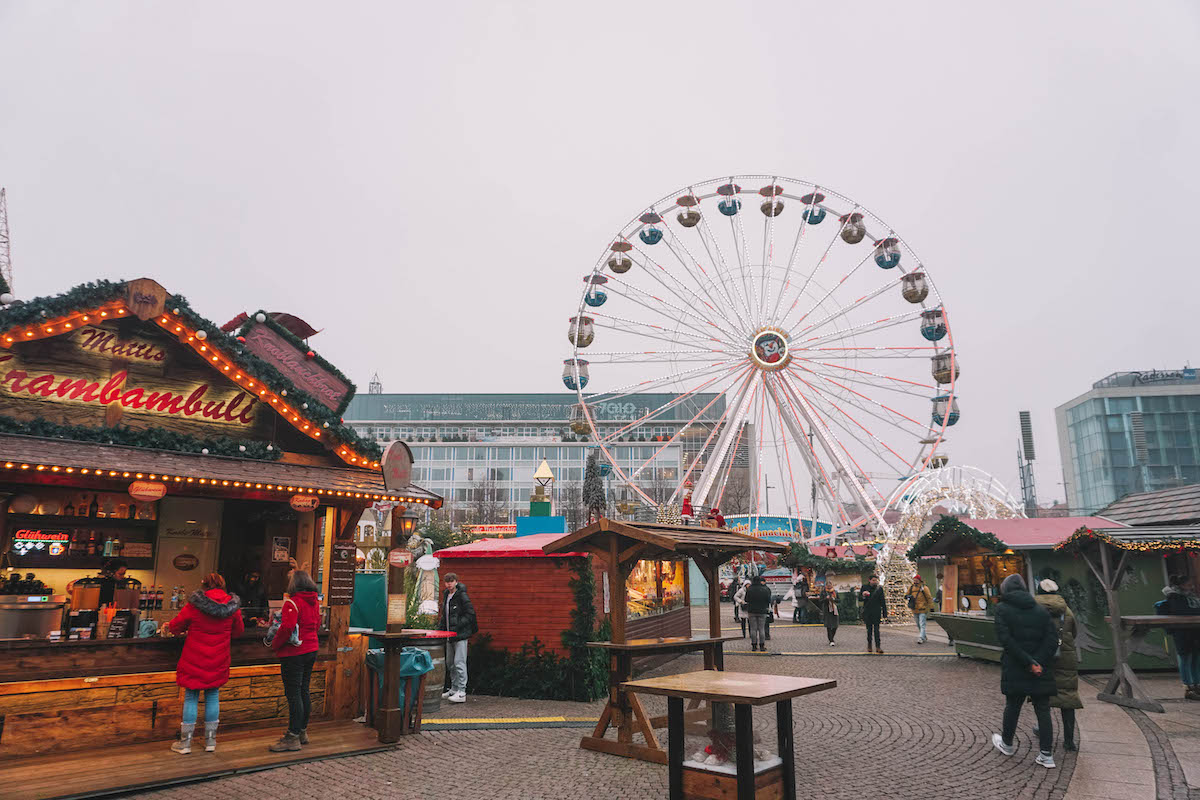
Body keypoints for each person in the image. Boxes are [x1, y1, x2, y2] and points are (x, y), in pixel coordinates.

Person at [165, 572, 243, 754]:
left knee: (191, 696)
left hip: (195, 658)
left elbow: (176, 626)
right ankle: (210, 741)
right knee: (213, 695)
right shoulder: (232, 606)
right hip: (219, 658)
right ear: (222, 585)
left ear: (204, 585)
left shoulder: (195, 605)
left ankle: (185, 743)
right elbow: (238, 631)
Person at [991, 574, 1059, 769]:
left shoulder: (1002, 610)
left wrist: (1028, 661)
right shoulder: (1041, 610)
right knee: (1043, 709)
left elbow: (1006, 640)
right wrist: (1038, 662)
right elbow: (1052, 639)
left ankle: (1007, 743)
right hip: (1040, 667)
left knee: (1013, 706)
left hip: (1016, 665)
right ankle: (1046, 754)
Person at [268, 570, 321, 752]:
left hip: (294, 652)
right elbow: (318, 624)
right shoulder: (315, 601)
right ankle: (302, 732)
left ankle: (292, 736)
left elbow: (287, 628)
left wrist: (275, 645)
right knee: (304, 690)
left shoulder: (292, 602)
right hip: (311, 649)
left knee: (293, 694)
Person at [1035, 579, 1082, 751]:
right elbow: (1074, 632)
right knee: (1068, 696)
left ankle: (1043, 730)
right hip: (1064, 656)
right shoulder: (1067, 611)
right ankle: (1069, 740)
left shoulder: (1033, 610)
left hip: (1042, 657)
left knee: (1042, 697)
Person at [1158, 575, 1200, 700]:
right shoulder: (1175, 596)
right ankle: (1188, 686)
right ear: (1181, 585)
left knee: (1196, 659)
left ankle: (1197, 684)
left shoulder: (1190, 597)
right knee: (1185, 659)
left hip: (1194, 631)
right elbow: (1183, 611)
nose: (1191, 588)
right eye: (1188, 585)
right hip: (1182, 632)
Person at [439, 573, 477, 704]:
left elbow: (470, 614)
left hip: (460, 635)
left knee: (459, 662)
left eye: (451, 581)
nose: (449, 584)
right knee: (450, 663)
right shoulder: (446, 595)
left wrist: (458, 625)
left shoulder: (462, 595)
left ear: (456, 582)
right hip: (449, 635)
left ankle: (462, 691)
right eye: (447, 581)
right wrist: (441, 629)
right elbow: (445, 616)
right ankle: (454, 688)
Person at [743, 574, 773, 653]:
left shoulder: (750, 589)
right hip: (762, 610)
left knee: (753, 628)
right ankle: (762, 645)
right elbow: (769, 600)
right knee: (761, 628)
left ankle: (754, 645)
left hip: (752, 610)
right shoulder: (765, 589)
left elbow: (746, 599)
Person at [859, 574, 888, 653]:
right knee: (869, 630)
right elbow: (860, 599)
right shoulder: (864, 587)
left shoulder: (879, 589)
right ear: (869, 580)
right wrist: (863, 595)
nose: (874, 582)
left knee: (876, 630)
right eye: (873, 580)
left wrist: (885, 613)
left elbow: (883, 601)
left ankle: (878, 647)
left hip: (876, 612)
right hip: (868, 612)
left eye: (876, 580)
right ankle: (869, 645)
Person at [906, 574, 935, 644]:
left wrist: (931, 607)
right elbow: (906, 594)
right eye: (914, 580)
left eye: (916, 580)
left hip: (922, 608)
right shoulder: (911, 587)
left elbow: (929, 598)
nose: (915, 581)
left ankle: (921, 638)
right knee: (918, 624)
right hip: (914, 608)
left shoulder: (924, 588)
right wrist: (907, 596)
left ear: (919, 580)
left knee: (922, 624)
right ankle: (924, 636)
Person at [818, 581, 840, 646]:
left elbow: (839, 600)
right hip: (827, 610)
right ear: (826, 586)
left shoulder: (835, 592)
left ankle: (832, 637)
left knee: (835, 625)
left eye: (830, 585)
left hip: (834, 610)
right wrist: (826, 599)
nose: (829, 586)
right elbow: (820, 601)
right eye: (828, 585)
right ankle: (831, 640)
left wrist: (834, 599)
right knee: (829, 625)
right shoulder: (823, 592)